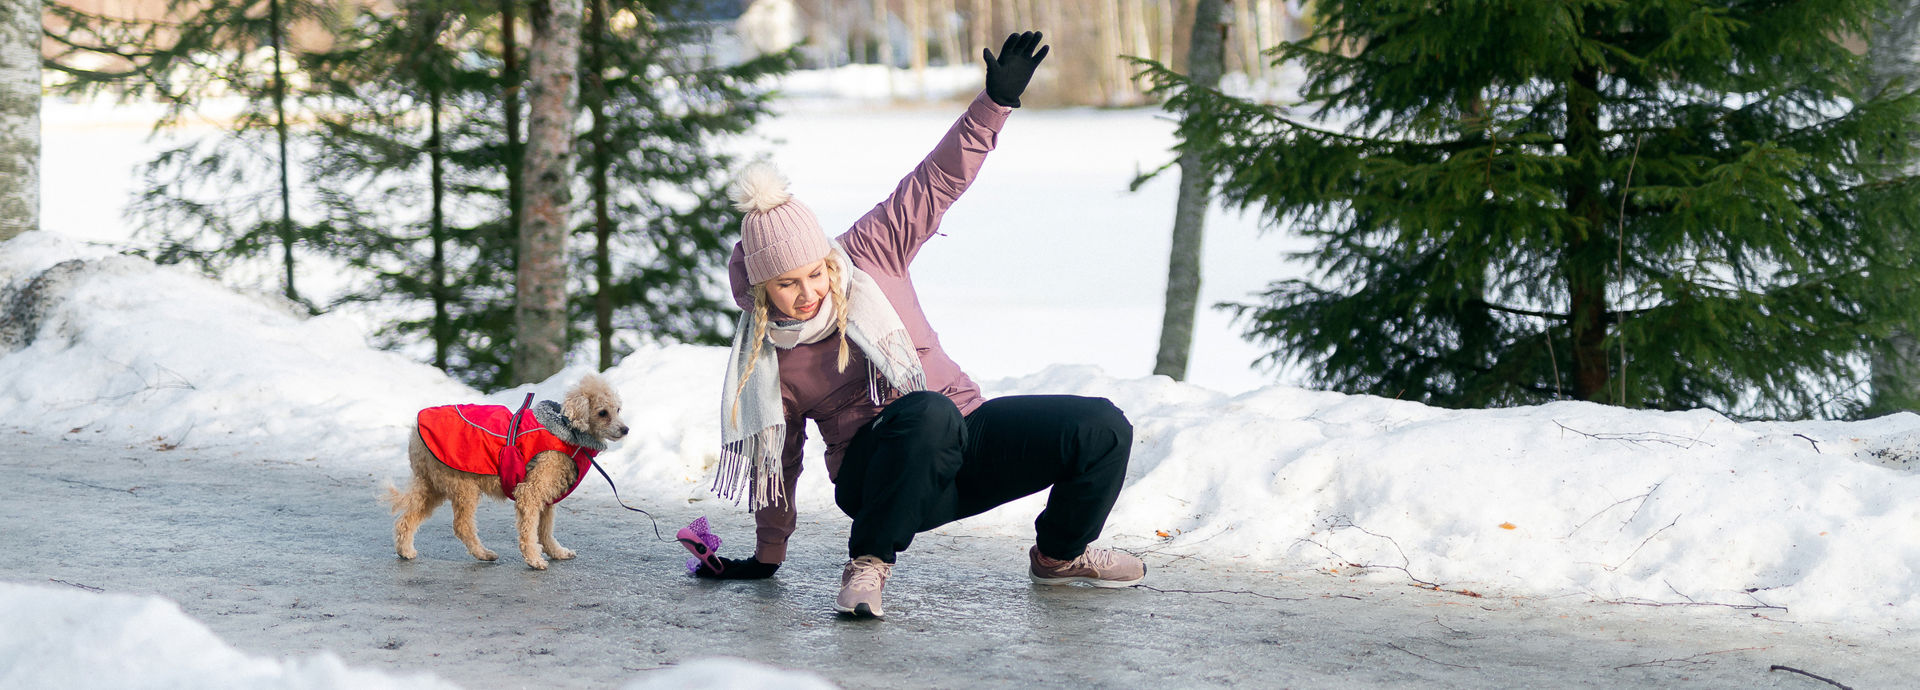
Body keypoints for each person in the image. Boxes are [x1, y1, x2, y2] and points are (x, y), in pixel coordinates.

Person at [699, 31, 1143, 618]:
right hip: (877, 478)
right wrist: (767, 554)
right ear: (762, 288)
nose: (808, 293)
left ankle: (1060, 556)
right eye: (787, 284)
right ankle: (869, 564)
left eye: (815, 274)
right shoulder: (769, 356)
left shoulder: (870, 252)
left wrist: (995, 105)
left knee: (1101, 426)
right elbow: (778, 459)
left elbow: (935, 182)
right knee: (923, 410)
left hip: (963, 438)